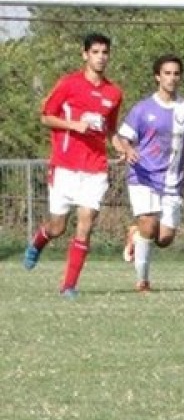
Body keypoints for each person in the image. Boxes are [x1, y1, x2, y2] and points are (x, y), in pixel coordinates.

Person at [22, 33, 124, 298]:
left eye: (105, 52)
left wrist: (121, 146)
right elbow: (46, 117)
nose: (101, 57)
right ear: (85, 55)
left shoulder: (114, 93)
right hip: (65, 166)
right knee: (58, 227)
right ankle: (39, 240)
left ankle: (69, 285)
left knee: (86, 222)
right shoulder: (69, 84)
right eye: (95, 52)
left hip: (95, 168)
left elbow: (110, 129)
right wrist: (73, 125)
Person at [114, 54, 184, 292]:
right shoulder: (143, 109)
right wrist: (127, 150)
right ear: (157, 76)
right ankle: (143, 281)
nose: (171, 78)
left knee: (165, 238)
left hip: (172, 182)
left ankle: (135, 233)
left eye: (176, 73)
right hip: (143, 177)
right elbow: (121, 138)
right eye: (167, 73)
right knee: (149, 224)